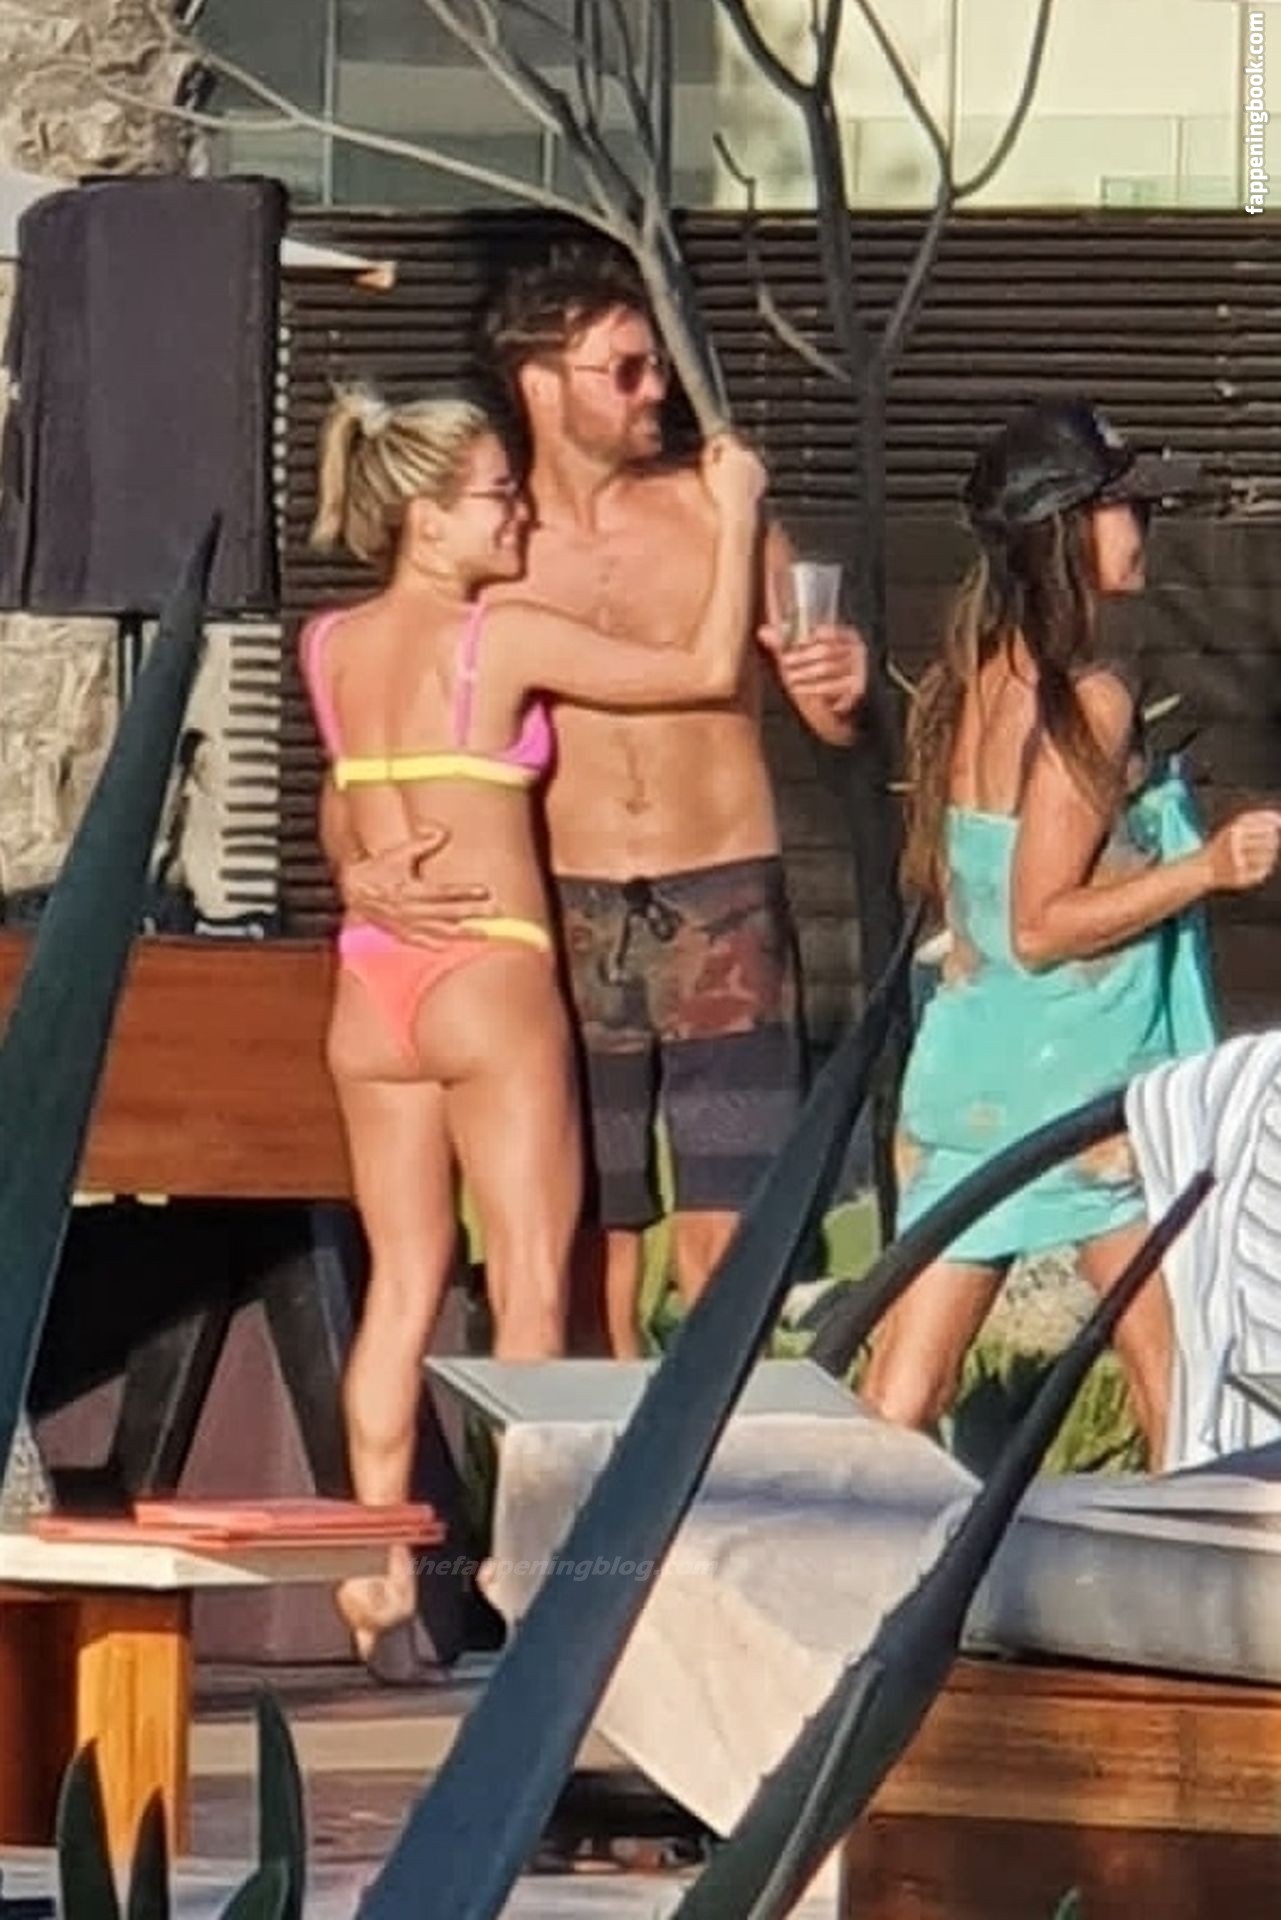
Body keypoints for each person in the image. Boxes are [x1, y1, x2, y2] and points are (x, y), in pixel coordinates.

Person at [303, 385, 766, 1653]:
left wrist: (361, 873)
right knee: (524, 1283)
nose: (517, 516)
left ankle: (378, 1572)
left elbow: (344, 801)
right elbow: (704, 670)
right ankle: (530, 1568)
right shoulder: (496, 637)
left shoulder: (330, 645)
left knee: (403, 1282)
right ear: (426, 518)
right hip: (489, 975)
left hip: (372, 980)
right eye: (495, 498)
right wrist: (737, 514)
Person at [342, 246, 868, 1357]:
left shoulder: (718, 514)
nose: (653, 389)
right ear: (541, 381)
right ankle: (598, 1467)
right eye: (624, 370)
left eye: (654, 365)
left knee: (728, 1246)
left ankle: (707, 1452)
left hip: (722, 900)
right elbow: (375, 752)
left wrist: (845, 691)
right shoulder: (492, 544)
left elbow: (834, 720)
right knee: (590, 1258)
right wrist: (359, 868)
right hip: (566, 917)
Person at [862, 397, 1281, 1467]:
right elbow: (1040, 922)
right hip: (1084, 1095)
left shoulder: (977, 678)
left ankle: (823, 1543)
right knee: (1176, 1385)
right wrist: (1205, 867)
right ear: (1069, 528)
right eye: (1126, 507)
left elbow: (967, 896)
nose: (1145, 528)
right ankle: (1190, 1566)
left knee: (903, 1391)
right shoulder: (1083, 699)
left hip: (973, 1071)